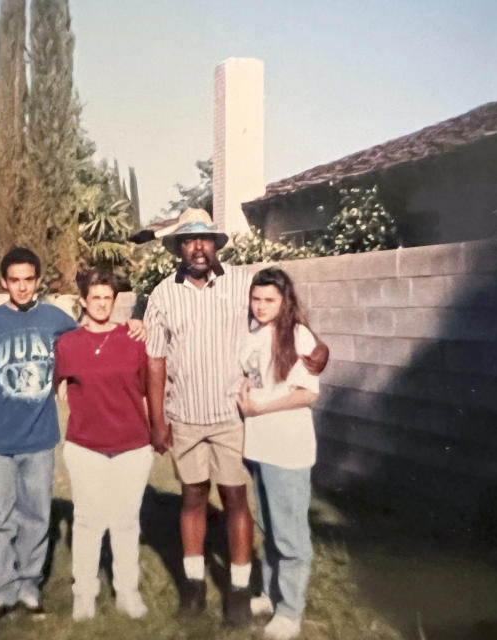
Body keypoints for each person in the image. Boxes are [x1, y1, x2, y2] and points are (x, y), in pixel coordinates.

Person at [143, 208, 329, 627]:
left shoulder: (244, 284)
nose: (198, 247)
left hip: (232, 417)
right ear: (179, 247)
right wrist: (157, 421)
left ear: (215, 244)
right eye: (189, 240)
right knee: (192, 498)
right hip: (185, 415)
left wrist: (319, 348)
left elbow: (280, 313)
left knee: (235, 501)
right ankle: (193, 586)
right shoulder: (161, 295)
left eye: (205, 238)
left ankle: (241, 591)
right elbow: (155, 360)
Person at [0, 247, 77, 619]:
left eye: (29, 279)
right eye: (15, 280)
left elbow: (90, 340)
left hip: (40, 438)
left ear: (38, 280)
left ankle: (28, 585)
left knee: (37, 515)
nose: (23, 287)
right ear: (3, 282)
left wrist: (134, 326)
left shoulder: (56, 319)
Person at [54, 269, 154, 621]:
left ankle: (127, 591)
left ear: (115, 301)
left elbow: (150, 389)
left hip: (131, 445)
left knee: (126, 521)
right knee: (87, 520)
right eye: (94, 297)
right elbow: (51, 387)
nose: (101, 304)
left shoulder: (134, 340)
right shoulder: (66, 344)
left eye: (107, 298)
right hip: (86, 447)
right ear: (83, 300)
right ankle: (84, 593)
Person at [236, 267, 320, 640]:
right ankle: (271, 596)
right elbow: (251, 378)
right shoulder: (254, 335)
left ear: (285, 301)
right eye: (256, 298)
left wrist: (259, 408)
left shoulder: (299, 336)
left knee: (290, 536)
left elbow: (308, 394)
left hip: (288, 449)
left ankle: (291, 611)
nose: (261, 306)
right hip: (259, 446)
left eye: (270, 299)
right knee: (269, 529)